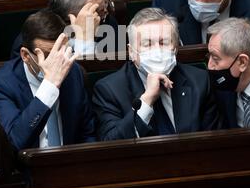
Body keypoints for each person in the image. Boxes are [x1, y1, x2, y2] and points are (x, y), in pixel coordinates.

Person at [92, 8, 219, 141]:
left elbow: (213, 141)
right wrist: (147, 100)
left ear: (175, 47)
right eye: (147, 44)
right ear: (131, 52)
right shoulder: (109, 90)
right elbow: (111, 144)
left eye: (164, 42)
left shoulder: (200, 81)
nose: (157, 51)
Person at [0, 10, 95, 150]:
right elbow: (15, 143)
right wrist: (49, 86)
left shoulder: (74, 73)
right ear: (25, 55)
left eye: (60, 52)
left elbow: (87, 134)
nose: (56, 62)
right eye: (47, 55)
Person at [11, 0, 122, 59]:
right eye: (97, 11)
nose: (105, 12)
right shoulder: (34, 40)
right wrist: (83, 41)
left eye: (105, 3)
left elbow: (110, 70)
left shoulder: (107, 23)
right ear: (71, 18)